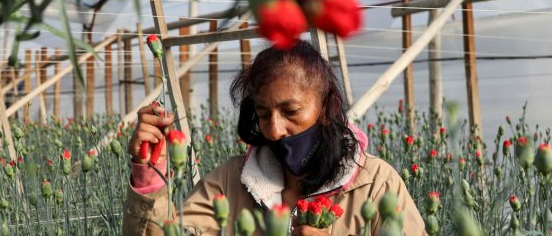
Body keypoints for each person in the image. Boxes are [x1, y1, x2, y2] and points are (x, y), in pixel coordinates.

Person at [122, 40, 425, 235]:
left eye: (291, 111)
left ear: (325, 108)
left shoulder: (375, 184)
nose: (275, 130)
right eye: (264, 115)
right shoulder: (230, 182)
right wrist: (152, 175)